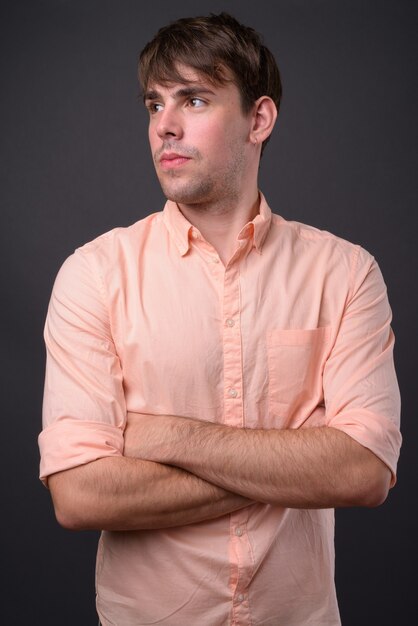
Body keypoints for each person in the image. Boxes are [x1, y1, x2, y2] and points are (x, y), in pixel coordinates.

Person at [38, 12, 402, 626]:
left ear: (258, 119)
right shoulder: (94, 274)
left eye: (195, 99)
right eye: (155, 105)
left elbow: (364, 472)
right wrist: (299, 465)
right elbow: (79, 495)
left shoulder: (346, 274)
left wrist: (162, 437)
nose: (165, 128)